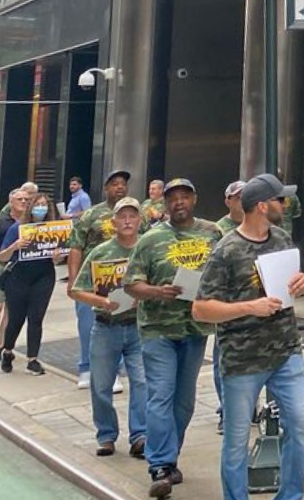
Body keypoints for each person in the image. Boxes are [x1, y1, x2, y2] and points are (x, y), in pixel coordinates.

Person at [193, 173, 304, 500]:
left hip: (285, 351)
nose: (285, 205)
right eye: (279, 200)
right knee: (236, 441)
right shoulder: (227, 250)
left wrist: (301, 284)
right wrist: (249, 307)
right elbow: (201, 308)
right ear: (262, 206)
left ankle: (290, 496)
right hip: (243, 360)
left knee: (299, 427)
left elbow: (291, 285)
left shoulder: (283, 239)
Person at [124, 178, 222, 498]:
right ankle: (160, 465)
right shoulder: (151, 239)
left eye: (185, 196)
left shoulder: (212, 233)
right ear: (165, 204)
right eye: (173, 198)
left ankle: (170, 454)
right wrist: (156, 291)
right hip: (158, 329)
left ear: (194, 199)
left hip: (194, 330)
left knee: (184, 401)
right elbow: (130, 285)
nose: (179, 202)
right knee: (161, 396)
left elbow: (228, 269)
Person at [69, 197, 148, 459]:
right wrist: (103, 301)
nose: (127, 221)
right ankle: (106, 435)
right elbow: (77, 291)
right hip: (105, 326)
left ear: (140, 220)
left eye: (132, 216)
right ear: (113, 222)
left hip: (139, 327)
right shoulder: (101, 252)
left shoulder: (148, 249)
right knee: (101, 385)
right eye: (122, 216)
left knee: (142, 382)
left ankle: (140, 435)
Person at [68, 170, 131, 390]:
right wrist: (73, 281)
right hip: (92, 281)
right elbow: (75, 247)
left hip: (124, 280)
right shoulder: (91, 215)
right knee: (88, 325)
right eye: (114, 184)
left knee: (120, 325)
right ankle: (86, 367)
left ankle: (113, 370)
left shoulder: (133, 215)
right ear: (106, 188)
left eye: (123, 184)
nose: (119, 187)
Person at [0, 192, 61, 376]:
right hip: (18, 277)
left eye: (44, 205)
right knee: (16, 318)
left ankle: (32, 359)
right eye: (37, 204)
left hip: (43, 277)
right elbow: (2, 256)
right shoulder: (17, 228)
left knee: (36, 318)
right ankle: (8, 351)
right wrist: (14, 246)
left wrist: (58, 257)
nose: (40, 208)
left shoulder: (53, 229)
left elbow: (59, 257)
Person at [211, 179, 246, 433]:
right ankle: (226, 410)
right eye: (237, 196)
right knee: (223, 360)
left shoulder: (259, 225)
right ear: (228, 201)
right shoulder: (219, 230)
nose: (242, 200)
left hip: (254, 302)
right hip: (227, 305)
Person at [0, 189, 29, 340]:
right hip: (2, 266)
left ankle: (2, 344)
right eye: (20, 199)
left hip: (19, 271)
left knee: (10, 311)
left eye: (26, 199)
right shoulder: (3, 221)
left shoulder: (32, 223)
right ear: (11, 202)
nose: (23, 202)